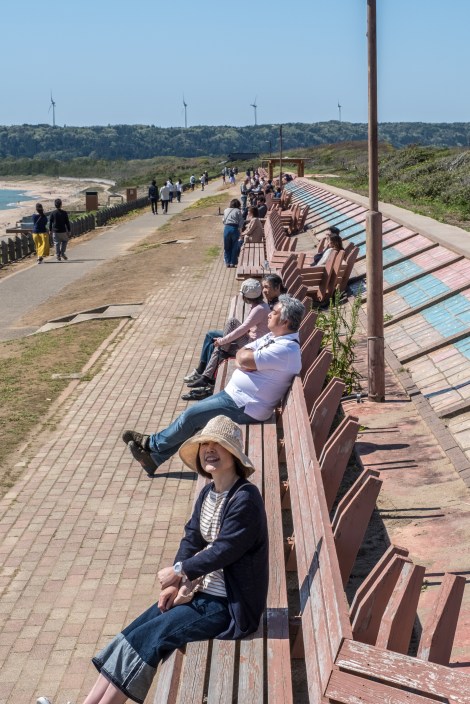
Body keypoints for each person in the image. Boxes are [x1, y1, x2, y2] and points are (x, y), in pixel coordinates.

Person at [37, 416, 268, 704]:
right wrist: (173, 584)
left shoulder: (245, 498)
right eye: (204, 444)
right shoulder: (209, 492)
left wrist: (180, 572)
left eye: (218, 444)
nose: (209, 449)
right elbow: (192, 537)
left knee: (152, 638)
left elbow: (224, 550)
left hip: (228, 607)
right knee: (134, 631)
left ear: (233, 454)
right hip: (201, 595)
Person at [122, 294, 304, 476]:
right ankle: (154, 459)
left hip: (246, 405)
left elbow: (245, 358)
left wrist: (245, 361)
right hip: (237, 396)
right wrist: (244, 361)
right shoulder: (275, 338)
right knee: (195, 419)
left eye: (274, 312)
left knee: (191, 416)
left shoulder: (286, 350)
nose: (269, 314)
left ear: (286, 321)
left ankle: (151, 444)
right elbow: (241, 355)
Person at [184, 278, 270, 398]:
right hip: (252, 340)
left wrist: (222, 341)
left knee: (224, 339)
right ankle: (206, 375)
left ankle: (206, 376)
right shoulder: (260, 305)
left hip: (253, 347)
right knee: (226, 335)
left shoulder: (259, 309)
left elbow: (243, 328)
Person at [222, 198, 244, 268]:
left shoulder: (226, 210)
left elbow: (223, 220)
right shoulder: (238, 211)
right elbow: (241, 223)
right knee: (234, 246)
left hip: (227, 228)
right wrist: (240, 233)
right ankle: (233, 262)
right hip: (235, 229)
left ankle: (227, 262)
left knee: (227, 246)